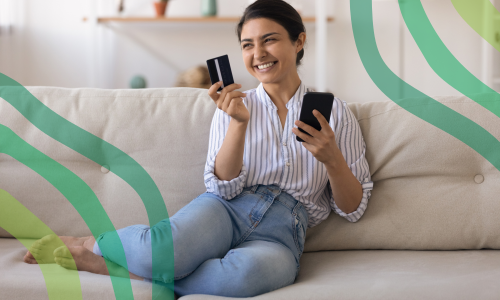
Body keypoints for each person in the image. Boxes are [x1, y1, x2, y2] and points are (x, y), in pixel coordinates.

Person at [23, 0, 374, 297]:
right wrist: (238, 123)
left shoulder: (334, 112)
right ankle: (92, 243)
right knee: (161, 250)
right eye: (248, 45)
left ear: (299, 42)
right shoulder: (234, 105)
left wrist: (332, 160)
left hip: (285, 230)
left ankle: (113, 267)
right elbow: (221, 186)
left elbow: (353, 209)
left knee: (244, 278)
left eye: (269, 40)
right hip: (227, 209)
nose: (258, 54)